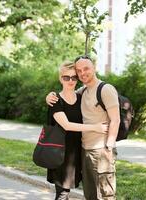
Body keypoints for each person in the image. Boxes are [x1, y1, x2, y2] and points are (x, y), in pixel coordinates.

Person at [47, 56, 120, 200]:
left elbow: (115, 120)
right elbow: (67, 98)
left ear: (94, 68)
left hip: (101, 150)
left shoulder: (106, 89)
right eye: (78, 71)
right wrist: (49, 96)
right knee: (91, 195)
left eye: (85, 69)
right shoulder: (83, 91)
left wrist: (109, 147)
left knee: (105, 195)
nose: (82, 73)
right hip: (84, 150)